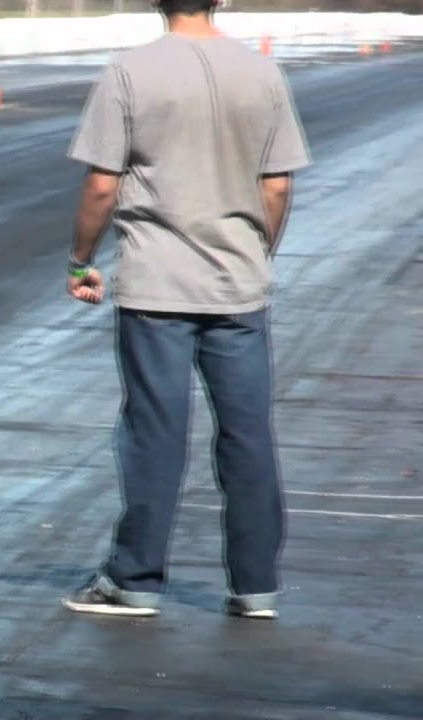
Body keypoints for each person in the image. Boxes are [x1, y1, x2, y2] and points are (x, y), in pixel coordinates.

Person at [58, 0, 311, 620]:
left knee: (155, 433)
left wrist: (80, 258)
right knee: (247, 435)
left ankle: (135, 580)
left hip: (156, 286)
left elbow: (100, 184)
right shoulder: (262, 73)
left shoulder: (129, 72)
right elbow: (277, 186)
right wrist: (256, 252)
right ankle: (255, 586)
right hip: (238, 286)